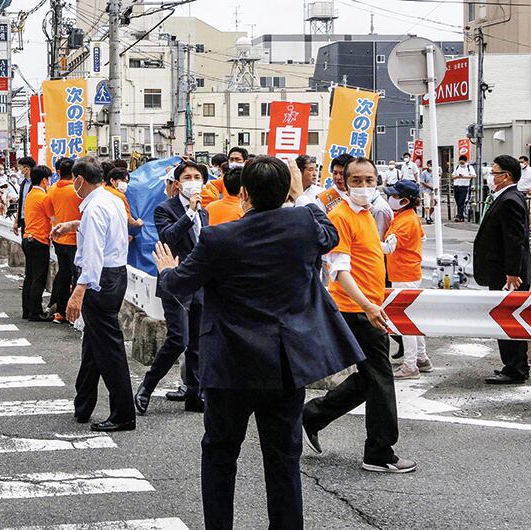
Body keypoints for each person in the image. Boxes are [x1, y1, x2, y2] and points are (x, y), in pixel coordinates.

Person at [153, 156, 363, 529]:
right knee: (283, 460)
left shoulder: (219, 237)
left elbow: (179, 286)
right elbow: (329, 233)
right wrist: (300, 196)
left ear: (244, 193)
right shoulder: (304, 224)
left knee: (220, 455)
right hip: (284, 362)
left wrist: (167, 270)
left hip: (229, 363)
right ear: (286, 191)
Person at [304, 156, 416, 474]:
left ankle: (313, 414)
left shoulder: (365, 212)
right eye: (357, 180)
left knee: (371, 378)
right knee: (380, 379)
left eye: (369, 180)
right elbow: (339, 271)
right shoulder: (341, 216)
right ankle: (379, 452)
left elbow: (365, 254)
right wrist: (367, 305)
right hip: (357, 309)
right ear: (344, 182)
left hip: (367, 306)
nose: (364, 186)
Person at [51, 157, 135, 432]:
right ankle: (83, 404)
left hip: (99, 280)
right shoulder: (110, 200)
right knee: (94, 343)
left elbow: (93, 254)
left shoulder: (96, 207)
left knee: (109, 348)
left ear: (79, 179)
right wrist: (73, 225)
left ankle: (123, 413)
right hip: (114, 275)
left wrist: (79, 290)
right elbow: (104, 232)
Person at [135, 160, 210, 415]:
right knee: (179, 338)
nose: (193, 181)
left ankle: (194, 394)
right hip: (175, 281)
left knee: (197, 342)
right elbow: (168, 236)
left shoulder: (205, 212)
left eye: (197, 177)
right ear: (177, 184)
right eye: (187, 177)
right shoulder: (164, 209)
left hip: (200, 283)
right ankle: (147, 385)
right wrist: (189, 213)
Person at [474, 155, 531, 385]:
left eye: (494, 173)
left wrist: (512, 273)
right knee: (507, 318)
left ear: (506, 176)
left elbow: (514, 240)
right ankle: (514, 365)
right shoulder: (505, 197)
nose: (491, 177)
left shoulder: (510, 200)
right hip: (503, 271)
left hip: (507, 275)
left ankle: (515, 368)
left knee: (509, 318)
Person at [382, 180, 431, 379]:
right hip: (410, 272)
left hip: (403, 274)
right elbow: (423, 238)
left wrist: (365, 242)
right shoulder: (409, 216)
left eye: (395, 196)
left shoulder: (404, 221)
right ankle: (421, 358)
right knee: (412, 317)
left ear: (405, 200)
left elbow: (388, 248)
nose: (390, 198)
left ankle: (410, 365)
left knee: (404, 321)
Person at [317, 154, 393, 240]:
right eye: (356, 181)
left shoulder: (367, 208)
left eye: (369, 180)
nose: (338, 177)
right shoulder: (335, 211)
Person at [45, 157, 83, 324]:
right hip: (76, 240)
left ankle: (60, 312)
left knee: (63, 274)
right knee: (77, 276)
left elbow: (50, 214)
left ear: (58, 171)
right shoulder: (78, 191)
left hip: (59, 239)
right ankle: (74, 313)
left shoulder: (52, 190)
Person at [21, 165, 55, 322]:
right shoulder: (44, 197)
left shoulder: (30, 195)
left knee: (29, 276)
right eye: (48, 179)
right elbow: (53, 219)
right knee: (39, 278)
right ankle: (36, 312)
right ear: (44, 180)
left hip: (27, 238)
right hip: (39, 240)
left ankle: (27, 310)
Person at [12, 157, 37, 235]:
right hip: (23, 219)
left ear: (26, 168)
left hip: (34, 219)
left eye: (20, 167)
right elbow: (21, 203)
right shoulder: (23, 183)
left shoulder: (36, 183)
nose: (20, 170)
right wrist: (16, 221)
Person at [451, 155, 475, 222]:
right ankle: (459, 215)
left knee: (461, 202)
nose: (461, 164)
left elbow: (473, 175)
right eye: (460, 162)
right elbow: (452, 176)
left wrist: (464, 176)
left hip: (464, 187)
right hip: (456, 186)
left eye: (462, 163)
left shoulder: (469, 167)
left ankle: (460, 216)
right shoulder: (457, 167)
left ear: (466, 161)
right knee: (457, 202)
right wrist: (457, 177)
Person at [420, 160, 435, 224]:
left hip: (434, 191)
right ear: (428, 165)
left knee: (433, 206)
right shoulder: (424, 173)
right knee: (427, 205)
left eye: (432, 164)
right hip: (426, 191)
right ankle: (428, 218)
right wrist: (430, 187)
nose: (431, 166)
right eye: (430, 164)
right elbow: (422, 182)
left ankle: (428, 215)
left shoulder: (435, 172)